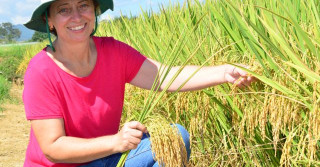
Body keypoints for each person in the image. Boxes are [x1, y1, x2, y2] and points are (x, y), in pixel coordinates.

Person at [23, 0, 255, 166]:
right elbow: (53, 148)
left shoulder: (113, 52)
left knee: (175, 137)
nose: (76, 16)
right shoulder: (41, 70)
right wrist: (116, 142)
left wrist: (225, 72)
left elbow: (164, 76)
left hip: (106, 158)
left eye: (83, 5)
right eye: (64, 9)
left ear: (94, 11)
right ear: (49, 20)